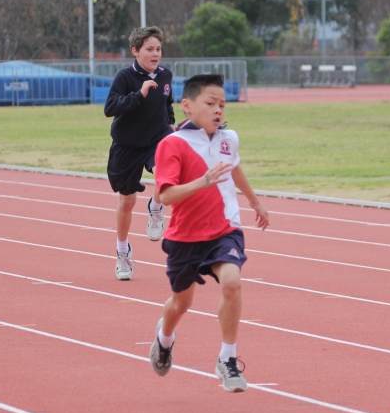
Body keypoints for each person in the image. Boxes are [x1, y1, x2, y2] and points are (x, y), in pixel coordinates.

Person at [148, 74, 270, 393]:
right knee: (181, 303)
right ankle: (165, 338)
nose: (218, 110)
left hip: (224, 229)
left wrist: (255, 201)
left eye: (222, 104)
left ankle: (226, 358)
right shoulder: (172, 144)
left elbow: (234, 167)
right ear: (187, 106)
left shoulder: (229, 138)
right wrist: (203, 181)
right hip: (186, 236)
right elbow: (165, 195)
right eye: (210, 103)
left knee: (232, 282)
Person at [104, 26, 176, 281]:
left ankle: (156, 208)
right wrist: (139, 94)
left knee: (167, 174)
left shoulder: (166, 75)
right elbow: (110, 108)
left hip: (157, 139)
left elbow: (167, 104)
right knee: (126, 202)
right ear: (135, 51)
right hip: (127, 145)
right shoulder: (124, 77)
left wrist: (170, 125)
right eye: (149, 49)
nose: (155, 54)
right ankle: (123, 253)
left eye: (158, 49)